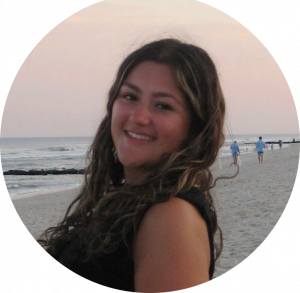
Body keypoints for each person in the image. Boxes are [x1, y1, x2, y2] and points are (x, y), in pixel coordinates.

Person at [37, 38, 231, 292]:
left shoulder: (171, 216)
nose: (138, 117)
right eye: (130, 96)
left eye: (163, 106)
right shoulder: (133, 201)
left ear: (195, 128)